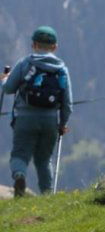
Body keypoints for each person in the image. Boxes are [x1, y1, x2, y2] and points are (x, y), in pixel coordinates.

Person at [1, 26, 72, 197]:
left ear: (34, 44)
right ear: (55, 47)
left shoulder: (25, 63)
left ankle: (19, 176)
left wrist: (5, 80)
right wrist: (62, 124)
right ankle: (47, 196)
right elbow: (67, 103)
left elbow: (9, 89)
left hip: (24, 118)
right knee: (44, 159)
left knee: (20, 153)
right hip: (49, 121)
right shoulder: (61, 69)